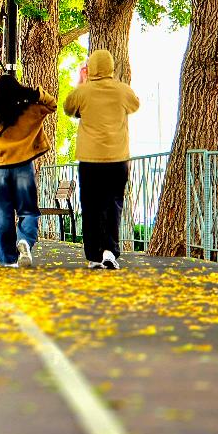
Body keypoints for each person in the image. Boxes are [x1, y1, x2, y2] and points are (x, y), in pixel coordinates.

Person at [63, 49, 140, 270]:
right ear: (110, 67)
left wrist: (81, 81)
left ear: (91, 68)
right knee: (113, 204)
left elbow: (68, 107)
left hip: (90, 159)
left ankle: (93, 255)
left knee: (90, 206)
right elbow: (135, 105)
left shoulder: (83, 92)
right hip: (117, 159)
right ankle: (110, 251)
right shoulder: (122, 90)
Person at [0, 74, 57, 268]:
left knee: (1, 215)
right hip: (23, 167)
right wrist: (34, 92)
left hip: (0, 170)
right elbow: (52, 104)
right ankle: (25, 241)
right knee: (28, 210)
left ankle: (8, 260)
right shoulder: (30, 110)